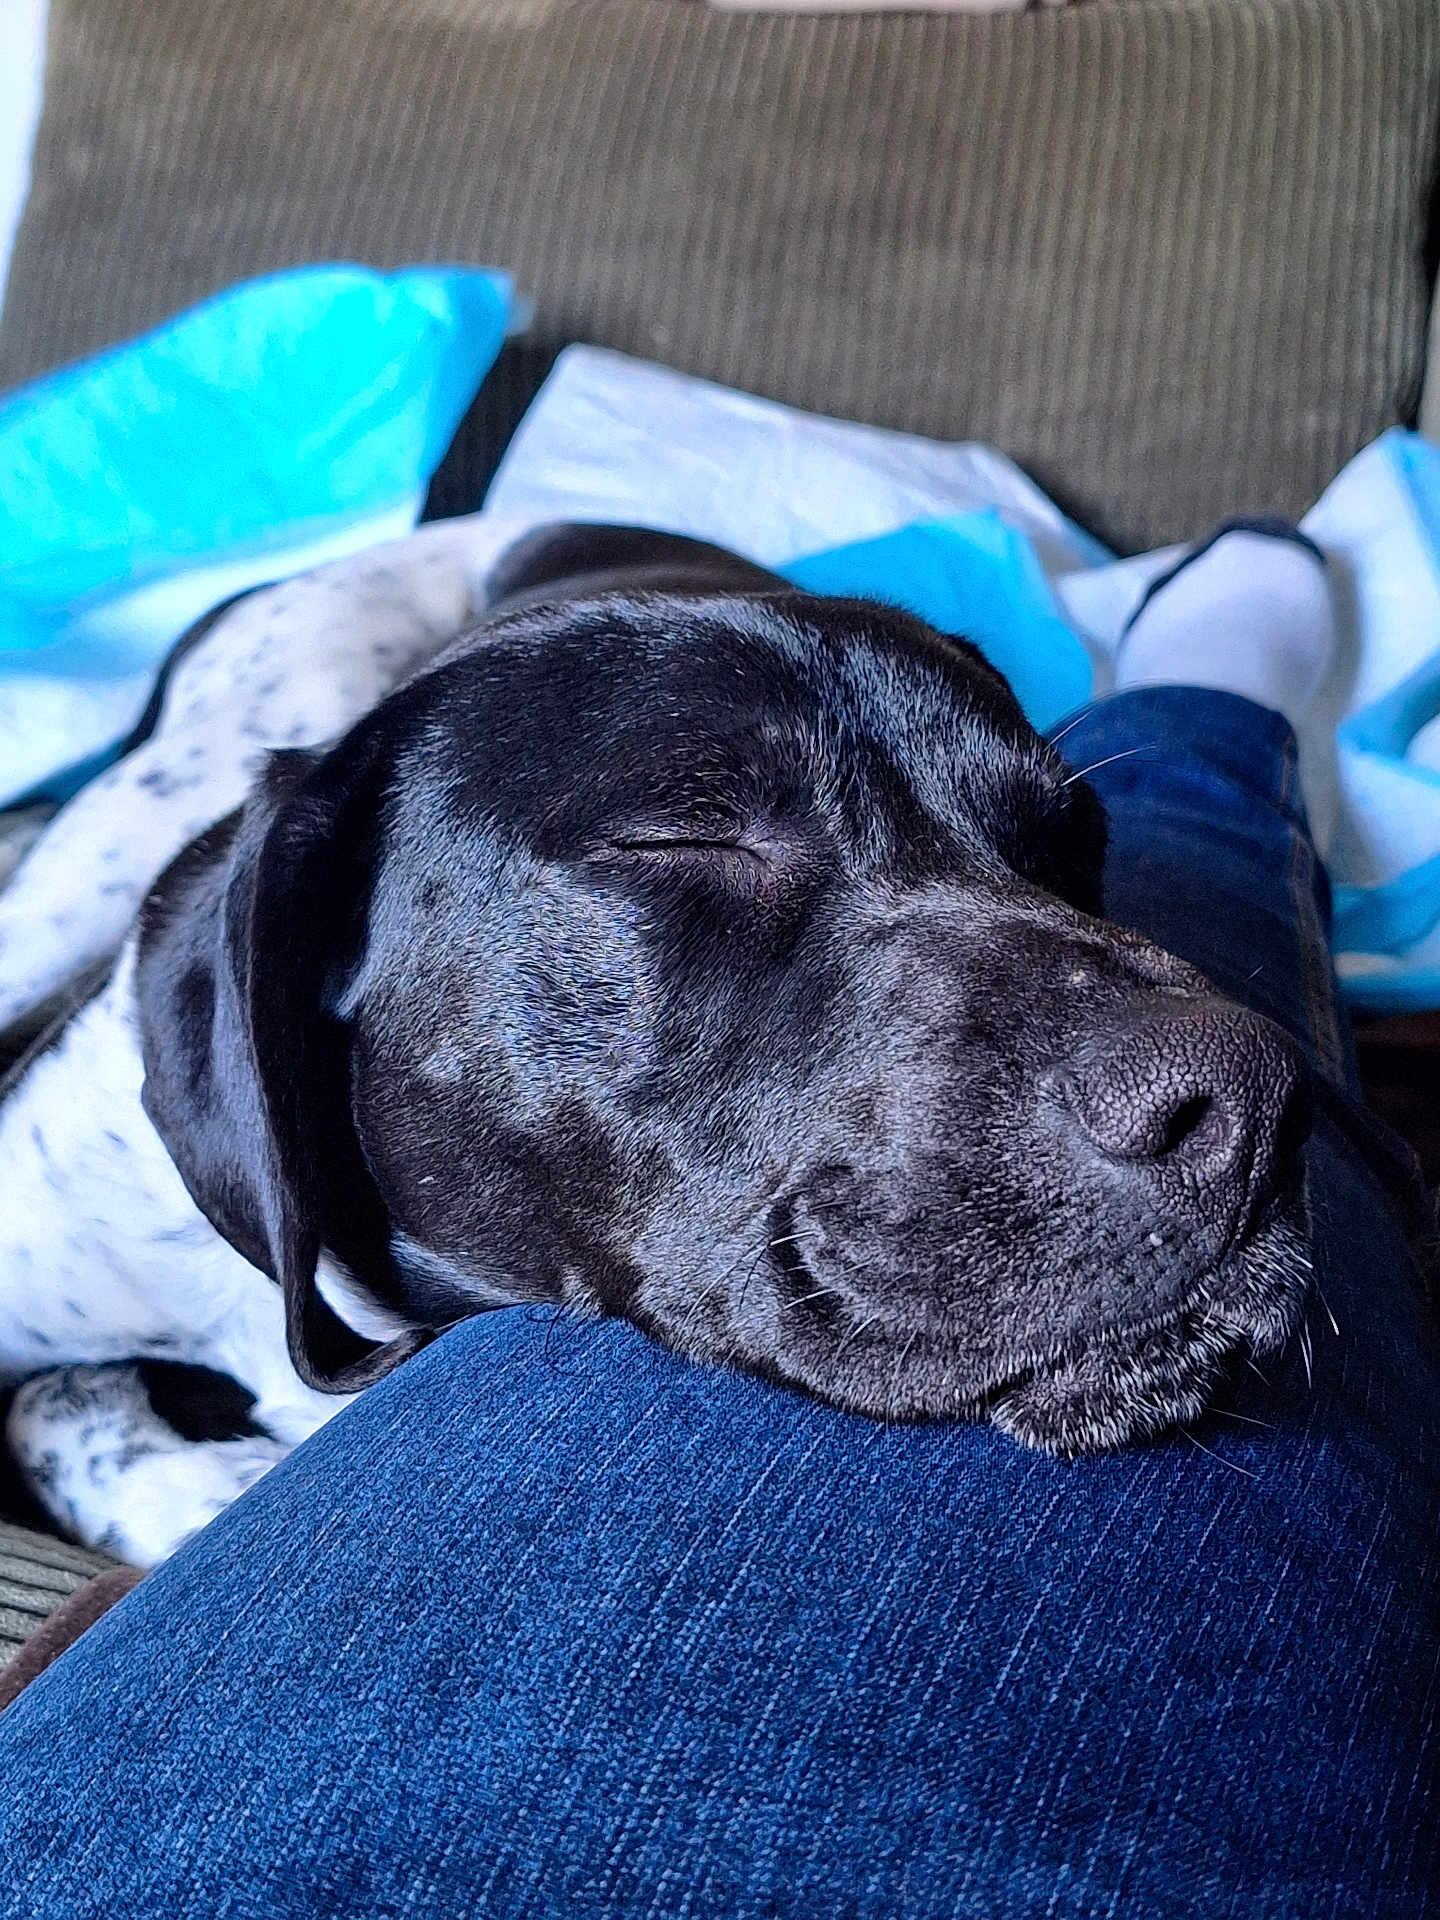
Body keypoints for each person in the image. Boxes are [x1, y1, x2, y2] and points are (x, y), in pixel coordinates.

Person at [0, 526, 1435, 1919]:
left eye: (1040, 873)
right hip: (439, 621)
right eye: (686, 837)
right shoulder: (121, 1154)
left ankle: (1207, 700)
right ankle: (1214, 702)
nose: (1205, 1071)